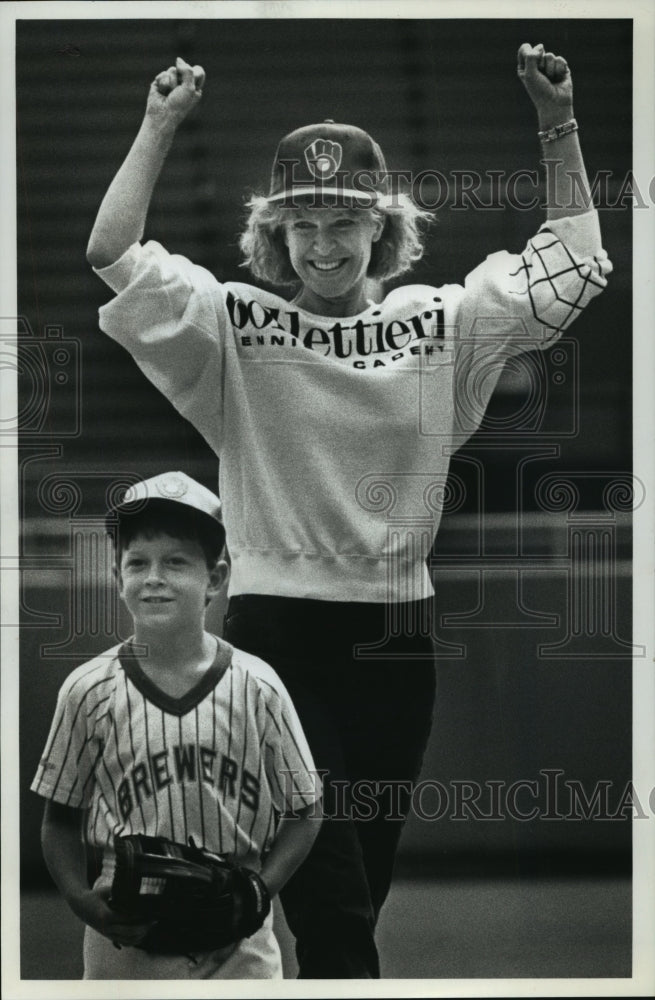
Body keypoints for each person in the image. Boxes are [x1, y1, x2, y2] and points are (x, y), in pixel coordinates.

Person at [85, 44, 612, 978]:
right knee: (330, 905)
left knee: (357, 890)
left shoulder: (449, 319)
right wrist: (159, 124)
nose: (323, 244)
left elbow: (575, 258)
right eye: (302, 225)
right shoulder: (231, 325)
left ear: (385, 229)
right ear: (273, 237)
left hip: (396, 635)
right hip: (278, 634)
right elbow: (111, 252)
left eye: (344, 222)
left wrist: (555, 120)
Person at [31, 471, 321, 980]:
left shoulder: (258, 687)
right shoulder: (87, 690)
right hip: (126, 932)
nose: (154, 577)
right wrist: (83, 903)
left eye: (176, 562)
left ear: (215, 577)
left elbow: (307, 811)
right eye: (137, 562)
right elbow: (59, 821)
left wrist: (260, 892)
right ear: (116, 574)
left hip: (238, 941)